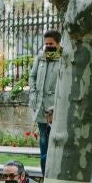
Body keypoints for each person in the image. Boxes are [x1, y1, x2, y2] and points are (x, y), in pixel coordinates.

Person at [30, 30, 62, 174]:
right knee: (43, 144)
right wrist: (33, 93)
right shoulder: (40, 57)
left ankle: (55, 173)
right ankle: (45, 175)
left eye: (51, 44)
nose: (48, 46)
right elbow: (32, 76)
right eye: (46, 44)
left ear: (58, 43)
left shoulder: (64, 59)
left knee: (55, 145)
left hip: (56, 110)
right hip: (40, 108)